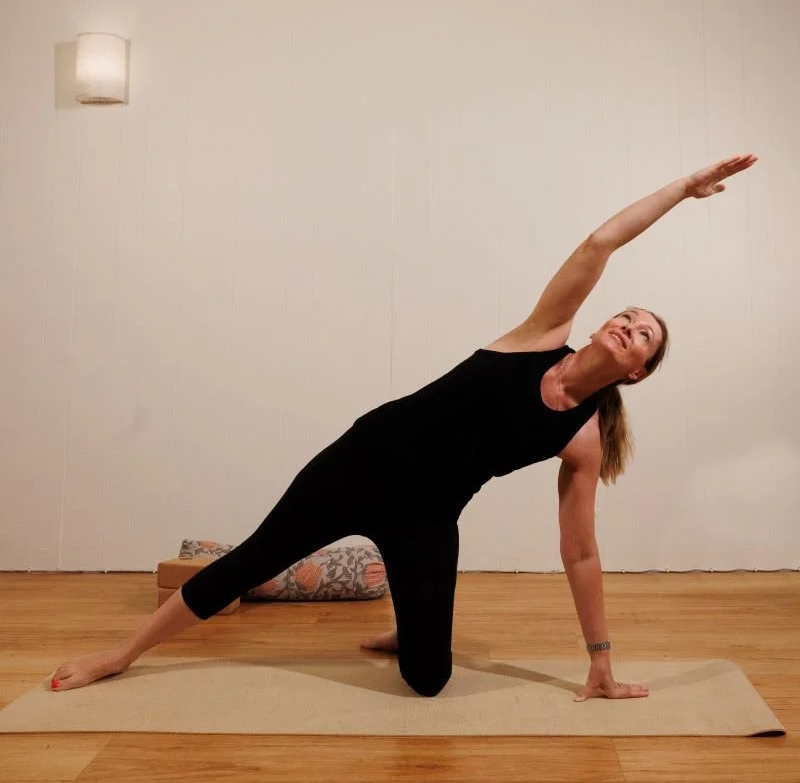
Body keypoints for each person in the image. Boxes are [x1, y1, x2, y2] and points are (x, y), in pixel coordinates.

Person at [50, 154, 757, 702]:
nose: (628, 326)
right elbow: (599, 244)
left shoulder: (583, 438)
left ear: (638, 373)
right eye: (627, 316)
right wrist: (682, 189)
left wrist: (600, 661)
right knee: (250, 560)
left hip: (427, 517)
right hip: (357, 465)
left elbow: (580, 555)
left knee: (429, 680)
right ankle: (121, 654)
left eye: (643, 335)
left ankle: (411, 629)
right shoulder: (541, 336)